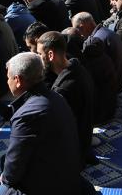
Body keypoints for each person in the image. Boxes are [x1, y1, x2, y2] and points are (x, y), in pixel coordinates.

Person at [0, 52, 91, 195]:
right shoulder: (56, 97)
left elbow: (14, 167)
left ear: (17, 80)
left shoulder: (27, 115)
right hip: (69, 177)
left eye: (8, 78)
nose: (7, 82)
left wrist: (6, 179)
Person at [36, 31, 96, 168]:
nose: (38, 58)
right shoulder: (79, 69)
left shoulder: (63, 89)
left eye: (39, 54)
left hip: (73, 153)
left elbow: (57, 128)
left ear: (50, 55)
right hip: (84, 142)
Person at [72, 11, 122, 90]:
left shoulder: (97, 41)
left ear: (82, 26)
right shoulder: (107, 32)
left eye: (77, 29)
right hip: (120, 82)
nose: (79, 35)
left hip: (113, 88)